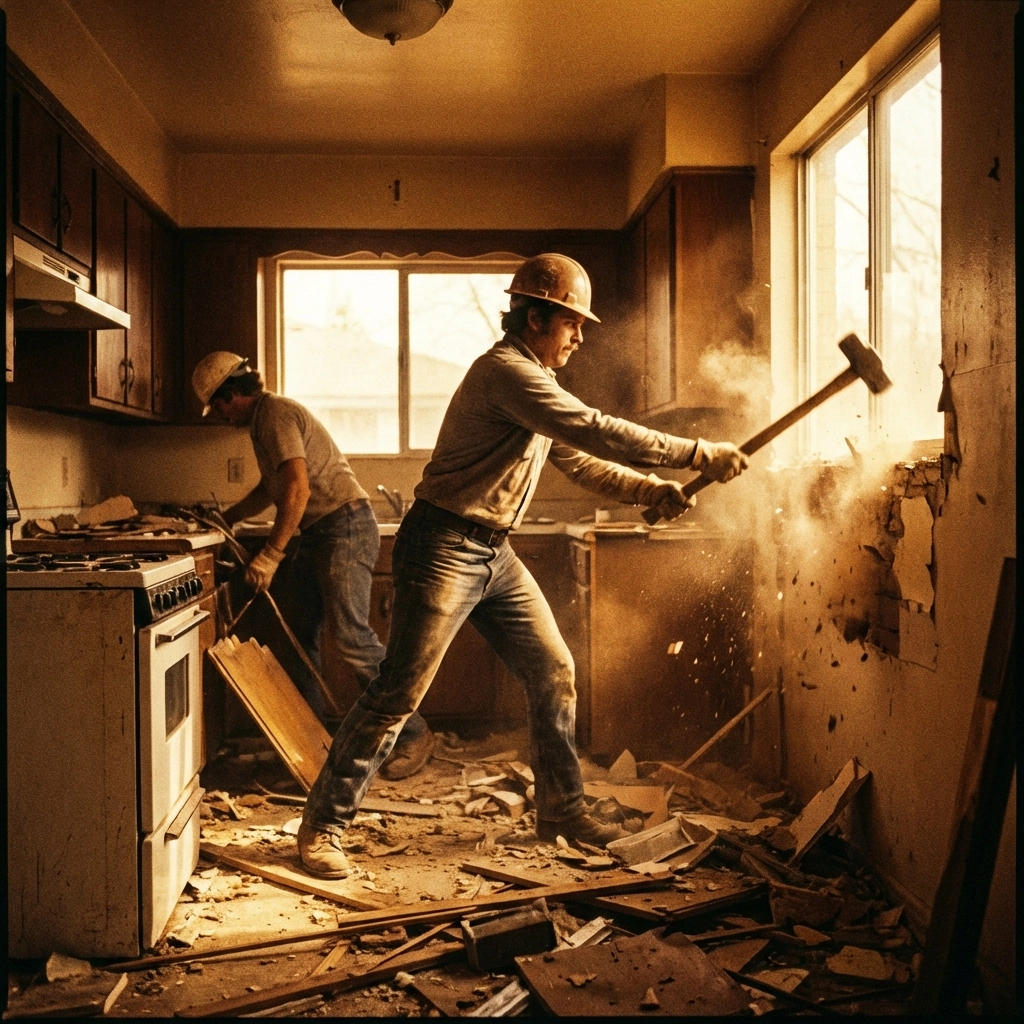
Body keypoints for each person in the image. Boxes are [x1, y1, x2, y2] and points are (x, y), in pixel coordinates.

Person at [296, 254, 749, 878]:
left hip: (494, 552)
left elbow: (580, 460)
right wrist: (697, 452)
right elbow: (594, 429)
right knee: (397, 693)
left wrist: (651, 489)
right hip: (444, 545)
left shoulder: (535, 382)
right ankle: (322, 826)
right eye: (572, 322)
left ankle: (562, 811)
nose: (580, 337)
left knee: (553, 669)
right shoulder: (506, 373)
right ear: (535, 317)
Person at [191, 353, 436, 781]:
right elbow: (273, 489)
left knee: (353, 638)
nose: (222, 417)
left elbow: (297, 489)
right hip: (322, 533)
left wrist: (271, 554)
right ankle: (310, 745)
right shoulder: (264, 421)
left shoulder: (275, 414)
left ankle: (414, 733)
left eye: (220, 406)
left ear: (232, 395)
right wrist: (227, 518)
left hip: (344, 528)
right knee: (300, 638)